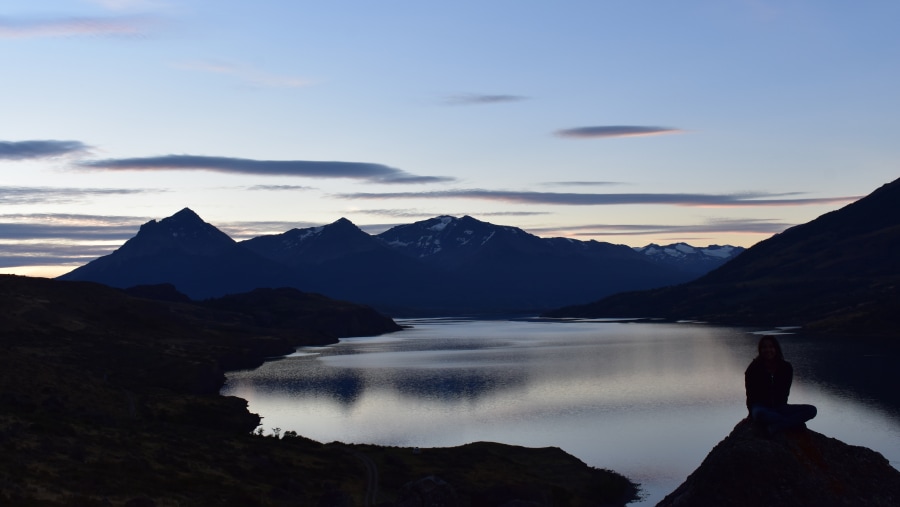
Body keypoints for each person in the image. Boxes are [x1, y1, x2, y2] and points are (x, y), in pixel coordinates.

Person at [744, 335, 817, 435]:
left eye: (771, 347)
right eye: (764, 347)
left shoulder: (786, 367)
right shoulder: (753, 368)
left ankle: (777, 426)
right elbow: (750, 393)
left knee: (811, 410)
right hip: (761, 407)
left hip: (780, 407)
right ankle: (792, 423)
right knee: (760, 415)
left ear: (776, 349)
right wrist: (750, 413)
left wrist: (781, 407)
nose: (768, 350)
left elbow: (785, 392)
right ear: (760, 350)